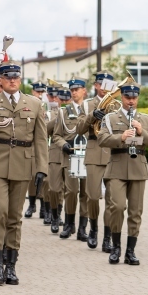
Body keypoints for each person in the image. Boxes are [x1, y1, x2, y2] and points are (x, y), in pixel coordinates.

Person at [0, 61, 48, 286]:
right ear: (0, 81)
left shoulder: (33, 104)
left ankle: (11, 266)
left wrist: (42, 168)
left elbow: (41, 139)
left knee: (14, 216)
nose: (12, 80)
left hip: (22, 165)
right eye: (8, 76)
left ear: (20, 79)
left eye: (16, 76)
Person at [97, 79, 148, 265]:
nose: (131, 101)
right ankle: (115, 247)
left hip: (138, 168)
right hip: (116, 166)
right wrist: (121, 137)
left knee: (135, 212)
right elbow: (102, 139)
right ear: (122, 97)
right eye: (127, 97)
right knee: (116, 207)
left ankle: (130, 251)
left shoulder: (146, 119)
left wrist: (142, 132)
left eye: (134, 97)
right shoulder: (110, 118)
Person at [76, 72, 115, 250]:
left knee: (112, 199)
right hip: (94, 151)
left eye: (109, 83)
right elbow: (79, 129)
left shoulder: (117, 105)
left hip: (114, 153)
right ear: (96, 85)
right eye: (102, 83)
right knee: (92, 196)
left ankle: (107, 236)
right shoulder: (87, 104)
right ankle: (93, 228)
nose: (105, 87)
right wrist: (93, 115)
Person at [55, 79, 89, 240]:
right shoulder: (63, 112)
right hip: (70, 155)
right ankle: (69, 224)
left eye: (77, 89)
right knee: (71, 191)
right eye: (72, 89)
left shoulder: (90, 110)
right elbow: (56, 135)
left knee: (86, 192)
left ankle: (83, 227)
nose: (74, 92)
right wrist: (63, 145)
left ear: (84, 91)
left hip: (87, 155)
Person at [25, 81, 47, 220]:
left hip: (47, 145)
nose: (40, 94)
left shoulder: (51, 107)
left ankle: (44, 207)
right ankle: (32, 204)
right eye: (37, 92)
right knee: (32, 176)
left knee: (45, 178)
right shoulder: (30, 105)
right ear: (33, 92)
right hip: (32, 145)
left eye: (42, 92)